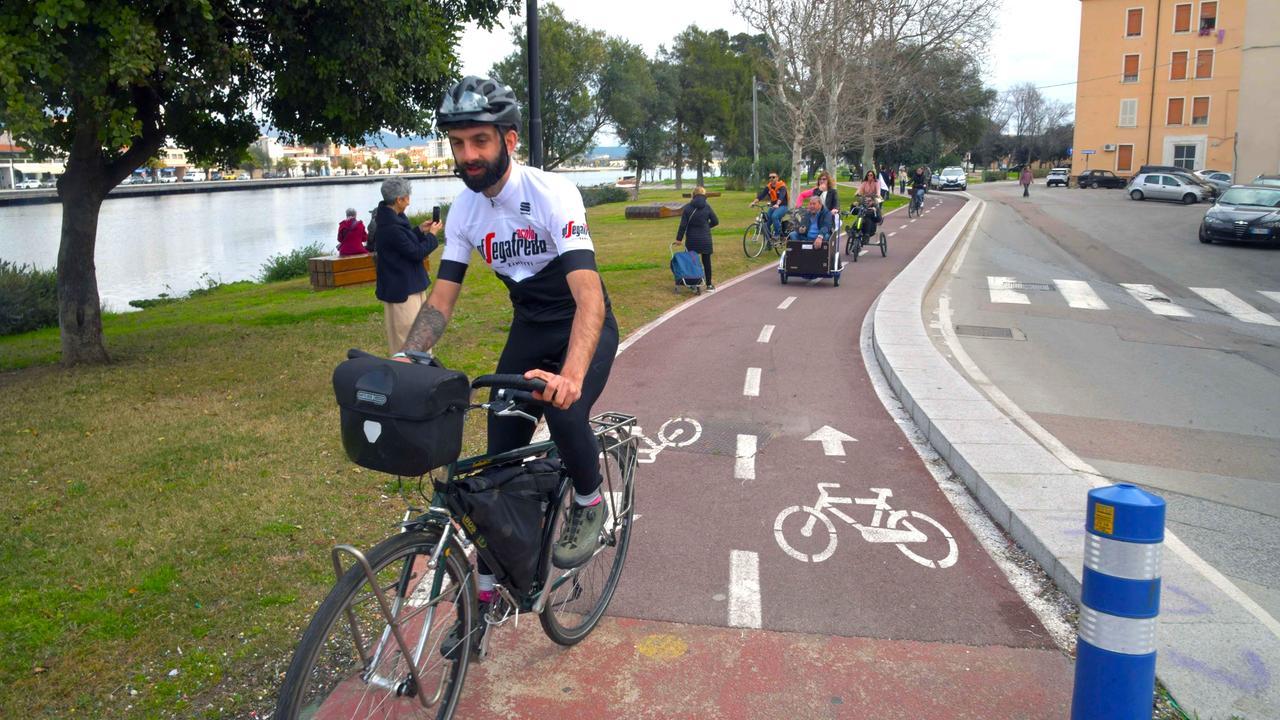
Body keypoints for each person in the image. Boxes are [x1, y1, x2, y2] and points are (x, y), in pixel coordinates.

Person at [395, 78, 617, 646]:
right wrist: (410, 353)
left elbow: (588, 297)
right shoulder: (465, 208)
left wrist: (570, 377)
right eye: (457, 142)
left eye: (479, 141)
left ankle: (591, 502)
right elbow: (442, 298)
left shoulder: (551, 194)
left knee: (566, 414)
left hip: (579, 325)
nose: (467, 155)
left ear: (508, 140)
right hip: (527, 330)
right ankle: (488, 599)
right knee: (496, 465)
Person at [372, 178, 440, 354]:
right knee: (408, 338)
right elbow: (416, 253)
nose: (409, 200)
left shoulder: (394, 221)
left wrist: (419, 231)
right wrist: (432, 236)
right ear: (399, 200)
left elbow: (405, 244)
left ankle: (423, 372)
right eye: (407, 196)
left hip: (411, 286)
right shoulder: (390, 227)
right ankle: (411, 374)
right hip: (401, 291)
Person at [675, 186, 720, 291]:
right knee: (706, 262)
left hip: (692, 239)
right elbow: (716, 221)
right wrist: (706, 227)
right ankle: (709, 285)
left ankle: (694, 284)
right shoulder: (707, 207)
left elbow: (683, 225)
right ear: (704, 195)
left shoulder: (687, 207)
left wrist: (679, 239)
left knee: (692, 262)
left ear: (693, 195)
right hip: (705, 238)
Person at [750, 172, 789, 238]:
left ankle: (777, 234)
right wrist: (754, 202)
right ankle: (768, 242)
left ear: (777, 178)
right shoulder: (768, 187)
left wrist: (777, 204)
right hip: (773, 207)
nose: (771, 179)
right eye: (770, 177)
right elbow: (761, 196)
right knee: (766, 223)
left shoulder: (782, 186)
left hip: (783, 206)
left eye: (773, 177)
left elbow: (781, 196)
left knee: (774, 216)